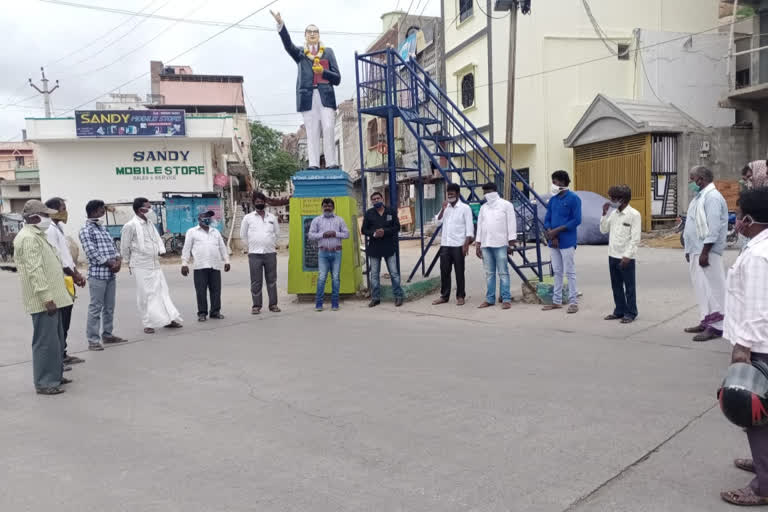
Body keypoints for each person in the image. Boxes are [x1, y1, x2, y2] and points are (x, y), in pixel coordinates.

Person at [719, 187, 768, 507]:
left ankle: (764, 484)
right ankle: (764, 461)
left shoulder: (759, 255)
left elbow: (758, 308)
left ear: (749, 219)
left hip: (760, 345)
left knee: (755, 414)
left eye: (738, 213)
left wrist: (743, 349)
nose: (736, 220)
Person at [14, 200, 73, 395]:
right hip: (44, 301)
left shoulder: (37, 235)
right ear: (34, 217)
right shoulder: (29, 238)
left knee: (55, 341)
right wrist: (47, 298)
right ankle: (45, 382)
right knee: (45, 343)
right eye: (46, 215)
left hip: (54, 298)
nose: (49, 219)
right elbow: (35, 271)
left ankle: (55, 375)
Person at [271, 10, 341, 170]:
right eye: (309, 32)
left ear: (319, 35)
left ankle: (331, 163)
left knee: (329, 127)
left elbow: (337, 78)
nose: (312, 34)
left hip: (326, 96)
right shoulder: (301, 53)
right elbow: (288, 45)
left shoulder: (328, 52)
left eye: (315, 32)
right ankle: (314, 163)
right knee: (312, 130)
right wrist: (281, 25)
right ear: (305, 35)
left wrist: (323, 72)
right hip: (308, 96)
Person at [121, 198, 183, 334]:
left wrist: (161, 251)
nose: (151, 211)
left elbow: (157, 239)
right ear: (139, 210)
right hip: (140, 264)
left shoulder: (150, 224)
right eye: (148, 208)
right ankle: (147, 323)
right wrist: (127, 263)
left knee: (162, 291)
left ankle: (168, 319)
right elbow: (125, 246)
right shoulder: (130, 226)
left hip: (154, 263)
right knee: (145, 294)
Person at [683, 166, 729, 342]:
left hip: (707, 251)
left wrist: (705, 252)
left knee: (714, 289)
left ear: (700, 179)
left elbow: (714, 227)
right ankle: (706, 320)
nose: (690, 182)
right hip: (696, 250)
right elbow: (692, 225)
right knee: (702, 288)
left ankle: (717, 327)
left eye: (691, 178)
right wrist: (689, 250)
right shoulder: (699, 197)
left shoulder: (712, 197)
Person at [79, 199, 125, 351]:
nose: (103, 212)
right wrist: (110, 263)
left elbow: (113, 246)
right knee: (95, 308)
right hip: (98, 275)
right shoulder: (86, 230)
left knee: (109, 307)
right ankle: (93, 340)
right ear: (94, 210)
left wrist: (118, 260)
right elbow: (91, 252)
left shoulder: (102, 229)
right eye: (101, 209)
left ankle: (107, 335)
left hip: (111, 274)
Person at [45, 197, 86, 365]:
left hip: (67, 278)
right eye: (63, 207)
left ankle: (62, 353)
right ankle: (58, 358)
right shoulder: (49, 229)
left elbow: (67, 256)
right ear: (54, 210)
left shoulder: (58, 228)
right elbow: (57, 259)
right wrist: (73, 274)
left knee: (66, 318)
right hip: (60, 279)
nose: (65, 211)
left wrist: (76, 273)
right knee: (60, 320)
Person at [599, 185, 642, 324]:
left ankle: (631, 312)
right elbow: (604, 230)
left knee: (629, 287)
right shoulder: (614, 213)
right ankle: (619, 310)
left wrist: (627, 256)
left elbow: (635, 239)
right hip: (612, 255)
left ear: (621, 199)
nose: (610, 200)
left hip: (625, 257)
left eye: (612, 198)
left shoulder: (634, 215)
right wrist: (604, 214)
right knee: (616, 285)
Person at [543, 170, 582, 314]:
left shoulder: (574, 198)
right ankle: (556, 301)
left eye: (555, 182)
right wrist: (550, 234)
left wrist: (557, 231)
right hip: (553, 241)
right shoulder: (553, 200)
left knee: (570, 272)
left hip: (567, 241)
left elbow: (576, 220)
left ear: (563, 182)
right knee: (557, 271)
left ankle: (573, 302)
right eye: (552, 181)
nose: (553, 184)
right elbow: (547, 218)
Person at [181, 211, 231, 322]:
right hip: (200, 266)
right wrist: (184, 263)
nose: (207, 219)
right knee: (201, 291)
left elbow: (222, 248)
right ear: (199, 219)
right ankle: (202, 313)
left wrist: (227, 261)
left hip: (215, 265)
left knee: (216, 290)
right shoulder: (192, 232)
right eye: (205, 217)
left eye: (209, 217)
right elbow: (186, 248)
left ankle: (215, 311)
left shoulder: (215, 232)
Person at [475, 182, 517, 310]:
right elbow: (480, 226)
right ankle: (490, 299)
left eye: (487, 192)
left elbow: (511, 223)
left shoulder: (506, 205)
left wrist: (511, 242)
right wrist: (478, 244)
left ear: (494, 191)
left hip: (501, 244)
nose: (485, 195)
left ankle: (506, 298)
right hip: (486, 244)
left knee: (503, 272)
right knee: (489, 273)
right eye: (484, 192)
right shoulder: (484, 208)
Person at [432, 183, 474, 306]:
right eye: (448, 193)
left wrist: (466, 245)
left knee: (459, 271)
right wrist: (443, 209)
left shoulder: (465, 208)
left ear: (458, 194)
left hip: (458, 245)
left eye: (452, 193)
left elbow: (469, 228)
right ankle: (444, 296)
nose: (449, 195)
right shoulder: (446, 207)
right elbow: (437, 222)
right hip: (445, 244)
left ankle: (460, 296)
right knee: (444, 271)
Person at [362, 191, 404, 307]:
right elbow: (364, 230)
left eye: (378, 198)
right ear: (371, 201)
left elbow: (397, 227)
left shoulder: (390, 211)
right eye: (373, 199)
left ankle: (398, 296)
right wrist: (374, 233)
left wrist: (384, 232)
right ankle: (375, 298)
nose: (376, 201)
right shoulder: (369, 213)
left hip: (389, 247)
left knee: (394, 273)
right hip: (374, 248)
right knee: (374, 274)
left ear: (382, 199)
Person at [241, 191, 281, 315]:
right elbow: (243, 235)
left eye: (262, 202)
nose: (260, 203)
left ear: (265, 203)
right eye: (257, 202)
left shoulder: (272, 217)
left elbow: (277, 234)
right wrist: (252, 246)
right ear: (254, 203)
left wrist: (270, 243)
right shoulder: (248, 218)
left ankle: (273, 305)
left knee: (272, 280)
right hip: (254, 254)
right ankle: (256, 306)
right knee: (256, 281)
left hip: (270, 253)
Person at [307, 198, 350, 311]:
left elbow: (347, 234)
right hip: (323, 252)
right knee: (321, 278)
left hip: (336, 252)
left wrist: (335, 233)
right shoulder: (317, 220)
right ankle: (319, 304)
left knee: (336, 278)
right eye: (325, 206)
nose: (327, 208)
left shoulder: (339, 220)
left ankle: (335, 303)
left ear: (333, 207)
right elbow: (311, 235)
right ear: (322, 207)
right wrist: (322, 235)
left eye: (329, 206)